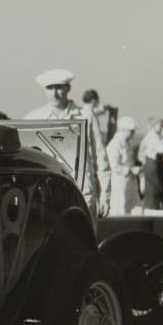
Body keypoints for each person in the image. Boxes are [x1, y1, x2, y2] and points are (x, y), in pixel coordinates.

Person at [24, 68, 111, 218]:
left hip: (83, 190)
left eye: (59, 87)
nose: (54, 93)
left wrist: (105, 195)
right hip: (48, 193)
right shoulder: (34, 118)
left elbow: (100, 156)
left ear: (68, 88)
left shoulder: (86, 116)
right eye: (49, 88)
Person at [106, 116, 141, 215]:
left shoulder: (126, 143)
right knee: (120, 207)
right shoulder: (115, 144)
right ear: (123, 130)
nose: (133, 134)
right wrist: (130, 170)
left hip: (129, 182)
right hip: (119, 182)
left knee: (131, 207)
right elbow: (113, 165)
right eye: (131, 131)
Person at [136, 118, 163, 210]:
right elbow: (162, 149)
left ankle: (149, 208)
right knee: (154, 190)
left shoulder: (148, 136)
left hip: (148, 163)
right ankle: (152, 210)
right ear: (154, 126)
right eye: (160, 125)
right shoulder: (154, 136)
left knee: (150, 189)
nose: (161, 128)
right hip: (152, 163)